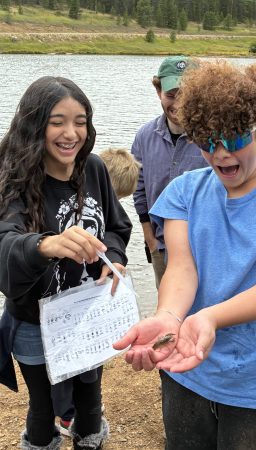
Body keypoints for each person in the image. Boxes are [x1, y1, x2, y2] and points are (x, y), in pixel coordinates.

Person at [114, 60, 256, 449]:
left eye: (233, 140)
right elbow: (182, 267)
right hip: (186, 369)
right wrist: (168, 316)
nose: (220, 155)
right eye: (206, 141)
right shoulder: (184, 191)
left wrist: (210, 317)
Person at [0, 76, 132, 450]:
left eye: (80, 121)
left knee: (90, 402)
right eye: (57, 122)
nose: (70, 133)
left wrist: (114, 257)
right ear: (34, 124)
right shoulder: (12, 178)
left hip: (88, 313)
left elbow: (117, 226)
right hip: (32, 319)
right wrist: (46, 245)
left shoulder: (93, 169)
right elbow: (4, 244)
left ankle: (90, 440)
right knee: (42, 409)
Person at [59, 147, 140, 438]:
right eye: (115, 198)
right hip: (63, 303)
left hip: (89, 301)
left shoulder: (104, 207)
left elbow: (118, 230)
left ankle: (83, 410)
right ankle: (68, 416)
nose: (114, 204)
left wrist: (115, 258)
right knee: (65, 362)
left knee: (88, 364)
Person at [131, 55, 208, 289]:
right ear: (158, 92)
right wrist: (151, 242)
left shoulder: (214, 137)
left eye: (187, 95)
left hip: (205, 251)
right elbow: (139, 192)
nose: (179, 104)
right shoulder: (144, 136)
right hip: (161, 250)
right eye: (171, 95)